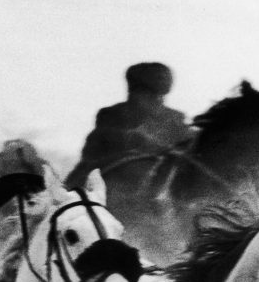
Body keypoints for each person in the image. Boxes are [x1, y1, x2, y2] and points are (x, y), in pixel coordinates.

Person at [65, 62, 193, 191]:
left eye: (158, 96)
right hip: (114, 184)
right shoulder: (111, 115)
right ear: (134, 92)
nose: (157, 101)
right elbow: (90, 157)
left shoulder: (176, 118)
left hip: (164, 186)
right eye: (148, 95)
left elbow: (189, 150)